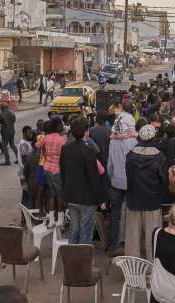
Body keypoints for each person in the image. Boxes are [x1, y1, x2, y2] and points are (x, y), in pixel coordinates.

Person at [60, 116, 108, 245]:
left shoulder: (65, 149)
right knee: (85, 234)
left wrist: (66, 193)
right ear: (86, 132)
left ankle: (72, 260)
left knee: (74, 230)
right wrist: (101, 199)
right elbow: (94, 177)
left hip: (71, 196)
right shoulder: (88, 151)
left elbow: (63, 173)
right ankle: (82, 263)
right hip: (86, 200)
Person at [125, 124, 168, 260]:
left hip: (133, 201)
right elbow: (164, 181)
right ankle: (151, 271)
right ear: (154, 138)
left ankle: (134, 271)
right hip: (152, 202)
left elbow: (128, 176)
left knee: (133, 240)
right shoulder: (160, 157)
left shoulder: (130, 156)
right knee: (152, 240)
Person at [106, 102, 138, 255]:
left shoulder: (113, 139)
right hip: (130, 183)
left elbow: (110, 165)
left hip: (116, 182)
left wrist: (112, 178)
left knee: (115, 214)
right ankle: (128, 246)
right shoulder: (133, 140)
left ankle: (112, 246)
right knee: (129, 214)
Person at [35, 115, 66, 225]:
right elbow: (63, 156)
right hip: (57, 170)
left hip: (46, 168)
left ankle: (52, 220)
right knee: (60, 195)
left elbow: (37, 145)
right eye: (61, 125)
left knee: (52, 194)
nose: (62, 126)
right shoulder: (61, 140)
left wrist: (43, 139)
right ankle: (60, 220)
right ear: (57, 126)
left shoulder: (46, 138)